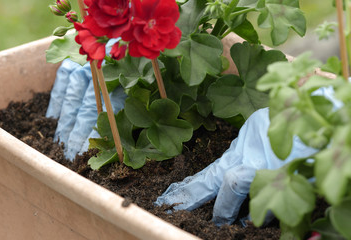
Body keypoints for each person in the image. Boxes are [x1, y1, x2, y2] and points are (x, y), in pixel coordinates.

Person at [47, 60, 340, 226]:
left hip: (283, 152)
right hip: (260, 131)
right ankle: (172, 207)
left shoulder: (333, 130)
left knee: (238, 182)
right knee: (219, 173)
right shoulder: (327, 95)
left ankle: (224, 228)